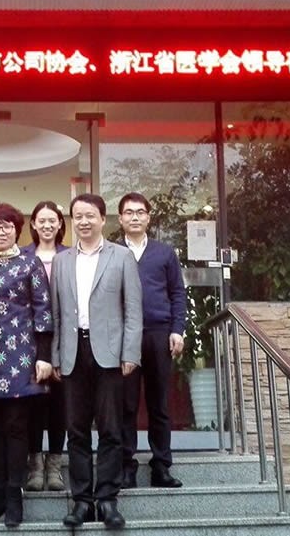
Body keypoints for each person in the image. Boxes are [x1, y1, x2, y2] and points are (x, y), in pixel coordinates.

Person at [50, 193, 143, 529]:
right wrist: (56, 354)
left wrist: (130, 352)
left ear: (103, 219)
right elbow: (57, 313)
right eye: (78, 216)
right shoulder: (61, 261)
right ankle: (81, 501)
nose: (84, 221)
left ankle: (107, 499)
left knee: (110, 429)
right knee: (76, 431)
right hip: (73, 352)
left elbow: (133, 310)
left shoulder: (122, 256)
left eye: (90, 215)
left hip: (110, 354)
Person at [0, 203, 53, 527]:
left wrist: (44, 355)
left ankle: (15, 497)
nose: (0, 232)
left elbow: (43, 310)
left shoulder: (30, 264)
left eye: (6, 226)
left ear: (17, 230)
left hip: (21, 360)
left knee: (17, 428)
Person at [116, 192, 187, 490]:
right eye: (129, 212)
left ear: (148, 217)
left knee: (159, 404)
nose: (134, 217)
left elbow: (177, 292)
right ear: (120, 218)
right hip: (123, 337)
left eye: (140, 212)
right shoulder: (111, 251)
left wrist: (177, 329)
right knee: (126, 404)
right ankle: (126, 466)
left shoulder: (164, 253)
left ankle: (161, 466)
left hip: (158, 333)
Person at [19, 201, 70, 492]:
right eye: (42, 220)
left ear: (60, 224)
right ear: (34, 224)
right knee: (34, 403)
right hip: (30, 340)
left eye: (53, 220)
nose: (47, 225)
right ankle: (35, 465)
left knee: (60, 405)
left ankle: (55, 466)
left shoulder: (71, 255)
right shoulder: (22, 255)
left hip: (64, 338)